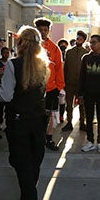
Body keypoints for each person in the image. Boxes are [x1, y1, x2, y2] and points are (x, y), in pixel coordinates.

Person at [0, 26, 49, 200]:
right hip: (38, 120)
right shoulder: (44, 64)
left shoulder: (12, 65)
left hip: (19, 121)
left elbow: (6, 95)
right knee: (34, 162)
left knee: (21, 163)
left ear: (20, 43)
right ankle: (29, 194)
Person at [34, 17, 65, 151]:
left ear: (49, 31)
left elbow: (59, 68)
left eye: (45, 30)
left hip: (51, 87)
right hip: (34, 88)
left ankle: (49, 138)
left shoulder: (54, 48)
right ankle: (36, 138)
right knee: (35, 114)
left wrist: (59, 86)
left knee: (50, 114)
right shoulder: (31, 47)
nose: (42, 32)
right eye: (40, 30)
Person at [78, 34, 100, 153]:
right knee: (88, 117)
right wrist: (80, 94)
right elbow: (81, 77)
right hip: (88, 94)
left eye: (94, 42)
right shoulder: (86, 58)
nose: (91, 45)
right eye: (91, 42)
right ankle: (90, 141)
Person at [61, 30, 89, 132]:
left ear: (84, 40)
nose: (78, 39)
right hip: (69, 83)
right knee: (69, 105)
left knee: (82, 104)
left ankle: (82, 123)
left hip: (81, 84)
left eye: (81, 38)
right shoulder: (69, 52)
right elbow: (65, 68)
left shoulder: (86, 53)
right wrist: (63, 81)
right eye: (78, 38)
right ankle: (69, 122)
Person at [57, 39, 69, 123]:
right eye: (61, 45)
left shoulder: (68, 55)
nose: (63, 46)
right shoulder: (56, 53)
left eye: (65, 45)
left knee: (62, 100)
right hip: (55, 80)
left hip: (64, 80)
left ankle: (61, 115)